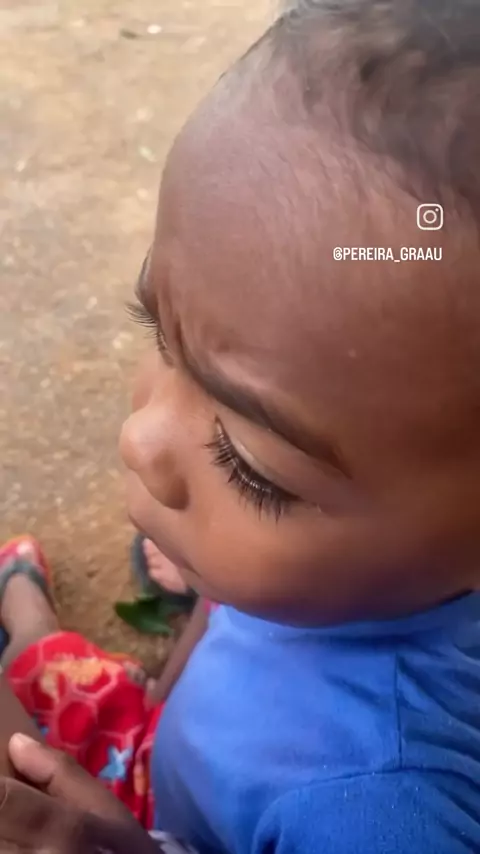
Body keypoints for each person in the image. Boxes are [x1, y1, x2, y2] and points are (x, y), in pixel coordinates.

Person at [3, 0, 480, 851]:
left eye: (251, 465)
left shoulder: (377, 811)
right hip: (173, 744)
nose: (140, 440)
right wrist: (205, 591)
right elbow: (240, 594)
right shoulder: (334, 567)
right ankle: (32, 619)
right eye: (160, 333)